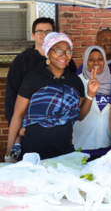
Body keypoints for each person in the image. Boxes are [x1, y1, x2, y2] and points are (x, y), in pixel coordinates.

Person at [5, 32, 97, 161]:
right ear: (48, 53)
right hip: (32, 151)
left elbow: (80, 116)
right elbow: (18, 115)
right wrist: (9, 153)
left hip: (63, 150)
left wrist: (91, 94)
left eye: (68, 52)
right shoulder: (34, 78)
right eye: (58, 51)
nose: (64, 56)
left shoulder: (75, 81)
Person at [5, 17, 77, 126]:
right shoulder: (22, 60)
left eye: (48, 31)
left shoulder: (65, 60)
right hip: (29, 123)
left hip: (60, 123)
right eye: (40, 31)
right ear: (33, 35)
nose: (44, 35)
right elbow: (12, 94)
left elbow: (73, 90)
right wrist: (15, 124)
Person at [73, 46, 111, 161]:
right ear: (86, 61)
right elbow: (78, 115)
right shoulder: (77, 81)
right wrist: (90, 94)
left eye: (100, 59)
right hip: (83, 146)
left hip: (109, 148)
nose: (96, 62)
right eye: (91, 59)